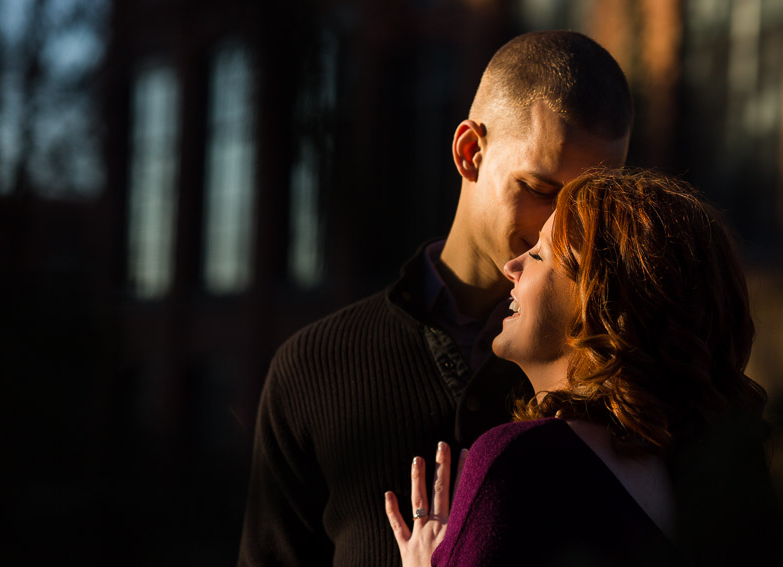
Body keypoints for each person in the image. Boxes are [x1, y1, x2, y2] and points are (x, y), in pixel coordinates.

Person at [237, 31, 633, 566]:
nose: (562, 228)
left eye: (590, 202)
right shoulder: (313, 369)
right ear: (470, 153)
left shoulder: (628, 368)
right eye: (542, 190)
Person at [385, 169, 780, 566]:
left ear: (597, 302)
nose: (512, 265)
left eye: (539, 254)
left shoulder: (519, 463)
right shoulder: (736, 487)